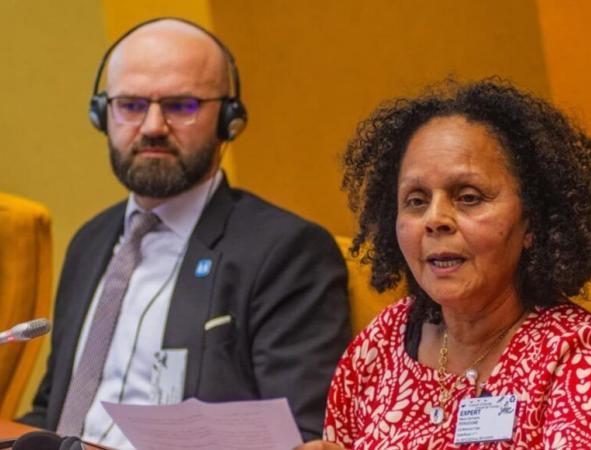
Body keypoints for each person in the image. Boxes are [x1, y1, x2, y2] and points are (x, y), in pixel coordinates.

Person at [20, 18, 351, 447]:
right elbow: (55, 407)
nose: (153, 126)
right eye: (131, 105)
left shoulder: (286, 252)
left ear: (229, 121)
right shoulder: (89, 241)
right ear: (102, 115)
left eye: (181, 105)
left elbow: (302, 437)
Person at [299, 79, 591, 449]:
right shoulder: (383, 341)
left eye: (468, 197)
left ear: (530, 221)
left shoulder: (584, 361)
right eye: (415, 201)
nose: (435, 219)